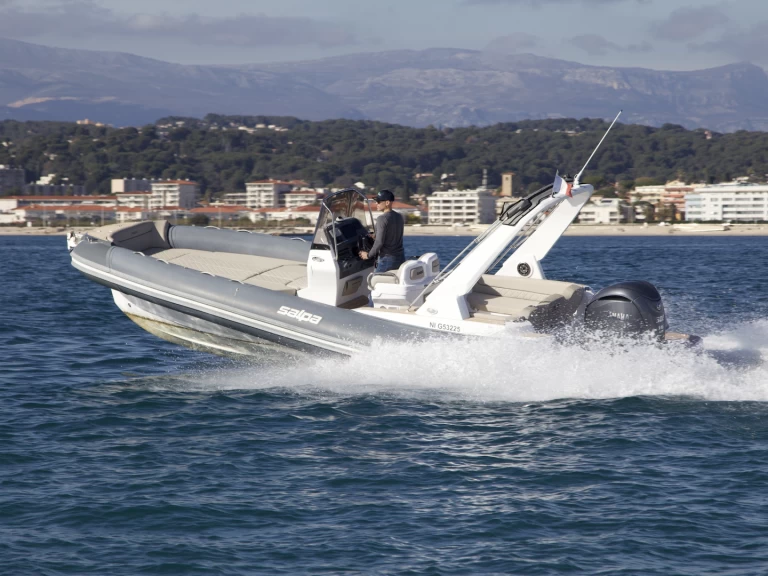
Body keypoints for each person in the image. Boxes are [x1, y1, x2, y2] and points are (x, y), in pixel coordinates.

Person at [359, 189, 405, 273]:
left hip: (387, 259)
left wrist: (368, 255)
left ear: (387, 203)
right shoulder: (399, 217)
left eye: (379, 201)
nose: (376, 203)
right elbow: (393, 235)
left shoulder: (382, 218)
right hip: (400, 258)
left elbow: (379, 242)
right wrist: (374, 235)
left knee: (375, 284)